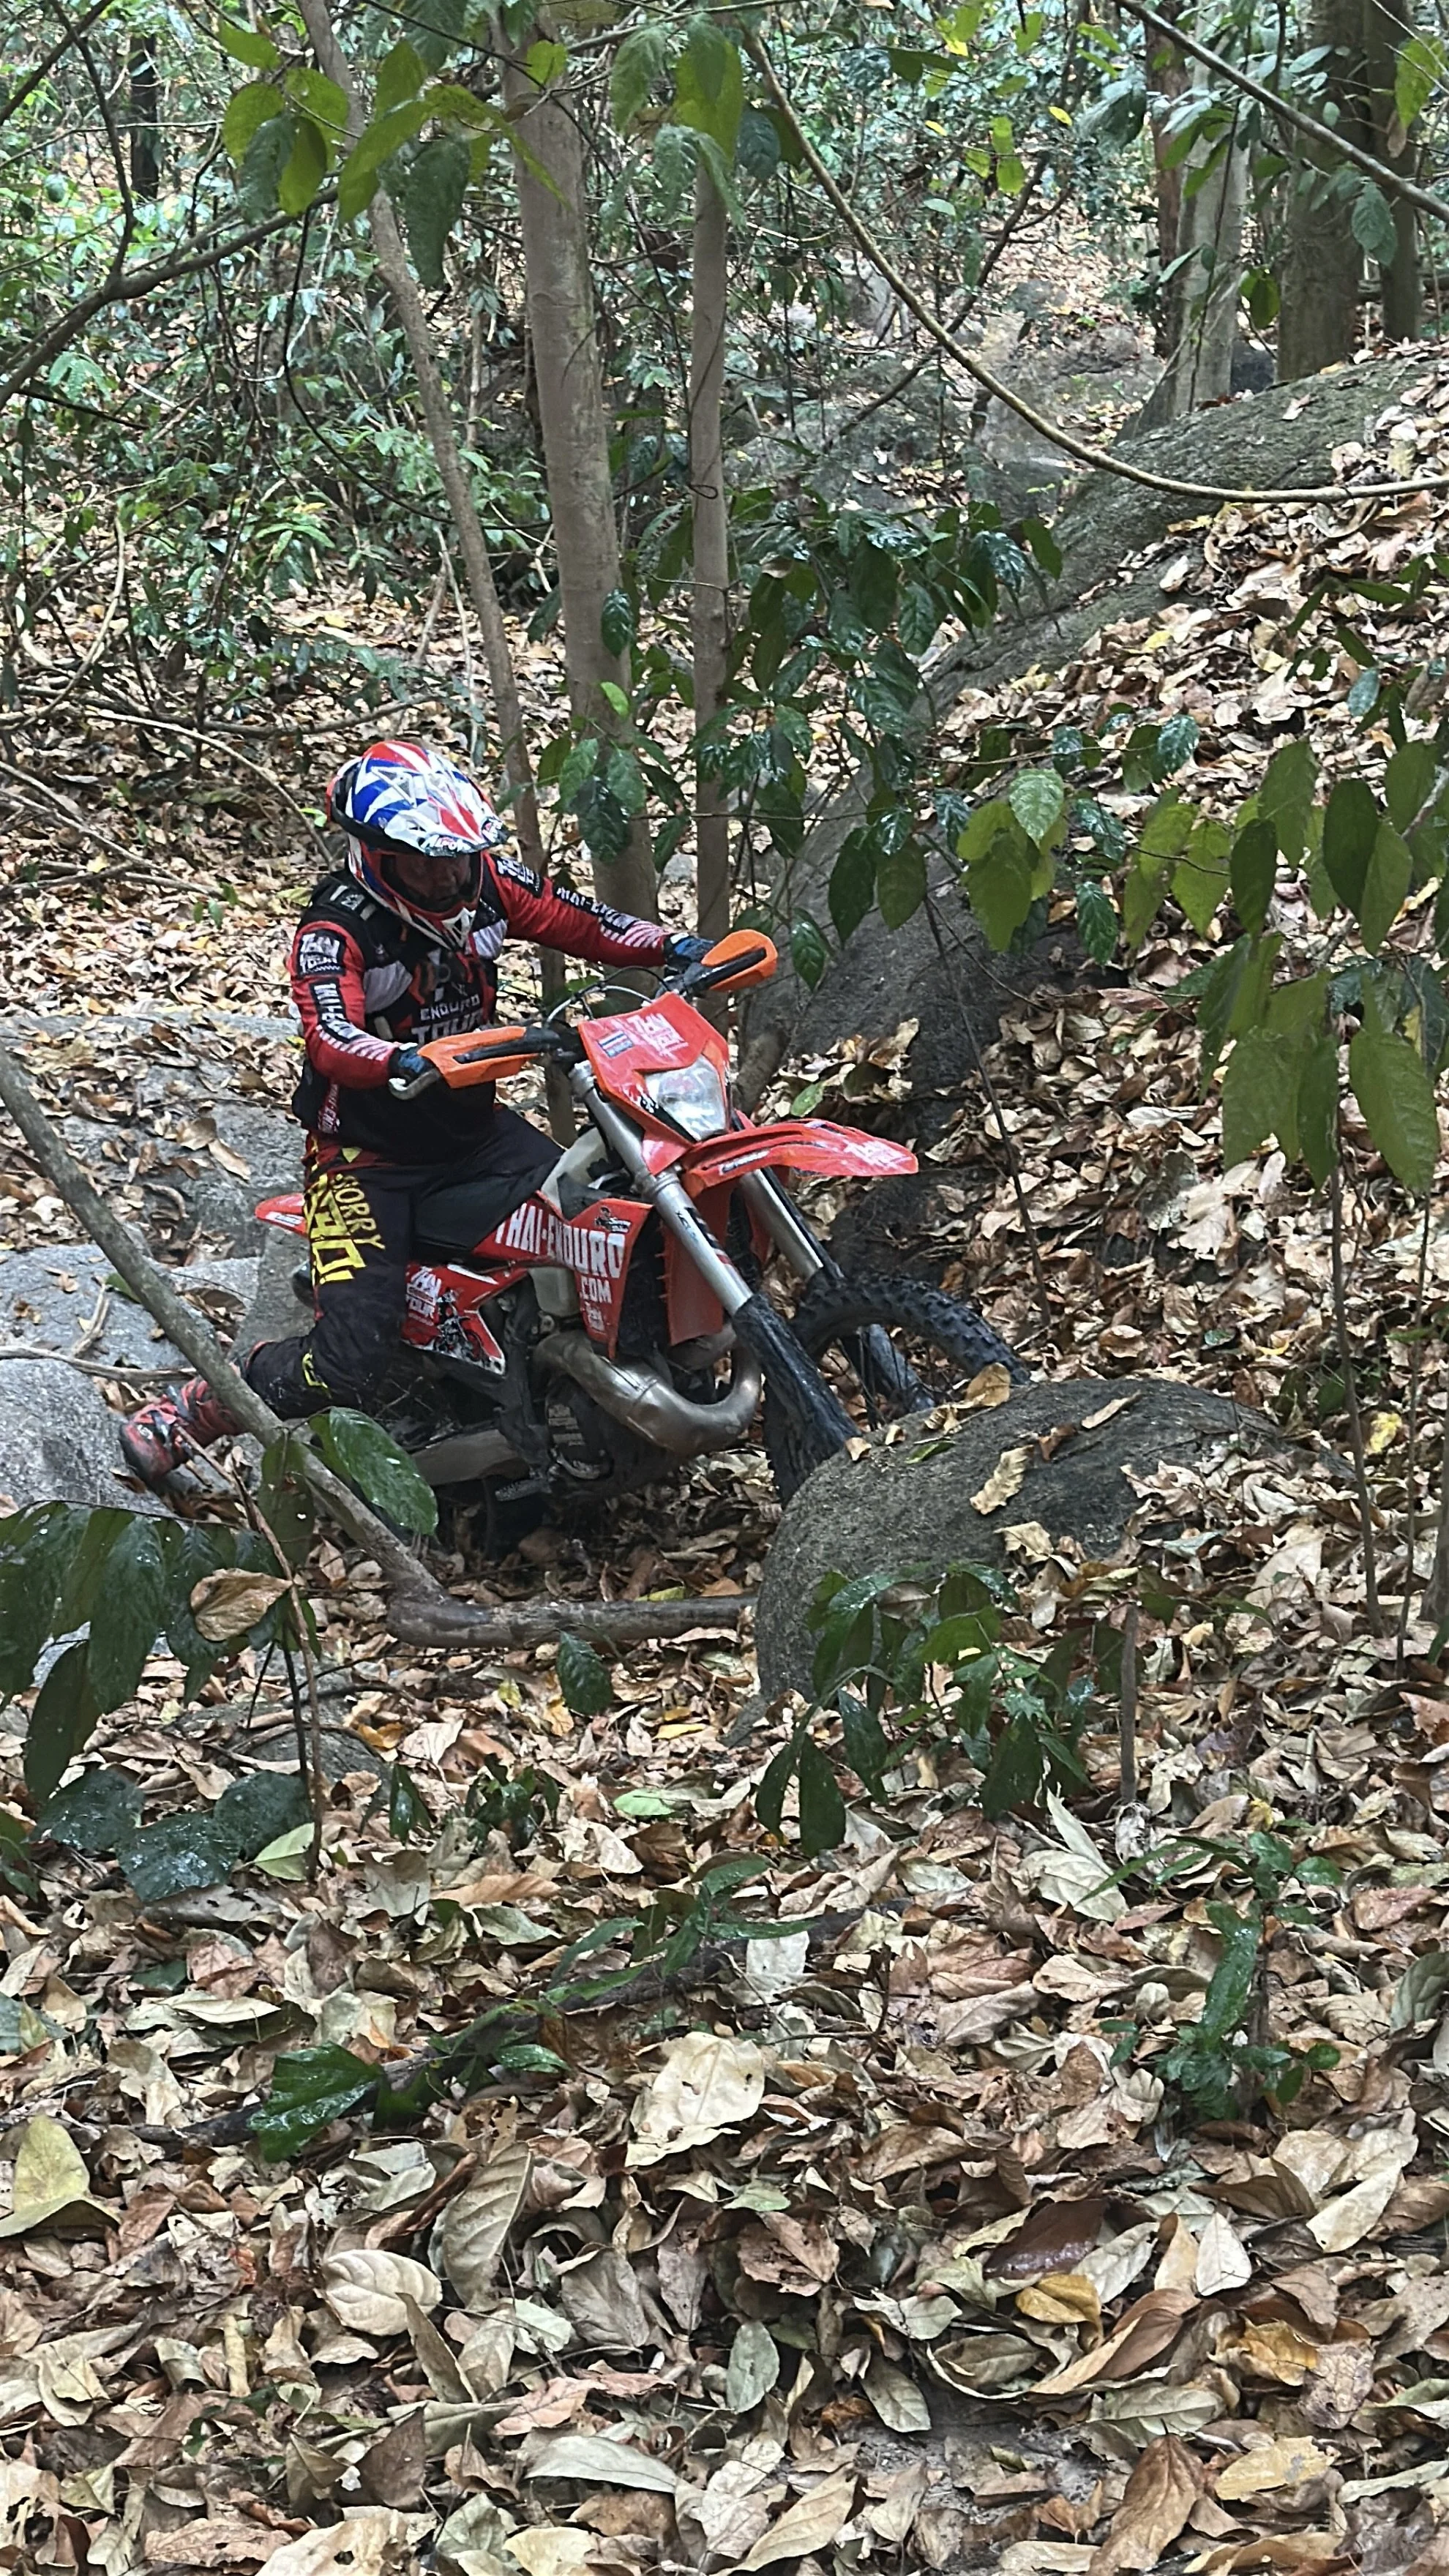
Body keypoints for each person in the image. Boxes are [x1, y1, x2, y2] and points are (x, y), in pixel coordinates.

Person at [121, 738, 708, 1486]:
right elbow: (330, 1037)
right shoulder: (336, 928)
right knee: (348, 1360)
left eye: (454, 857)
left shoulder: (487, 881)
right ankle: (201, 1405)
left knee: (601, 1227)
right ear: (376, 854)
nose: (443, 875)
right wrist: (402, 1060)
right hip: (366, 1163)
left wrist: (679, 947)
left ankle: (569, 1410)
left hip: (477, 1135)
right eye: (422, 860)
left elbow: (582, 920)